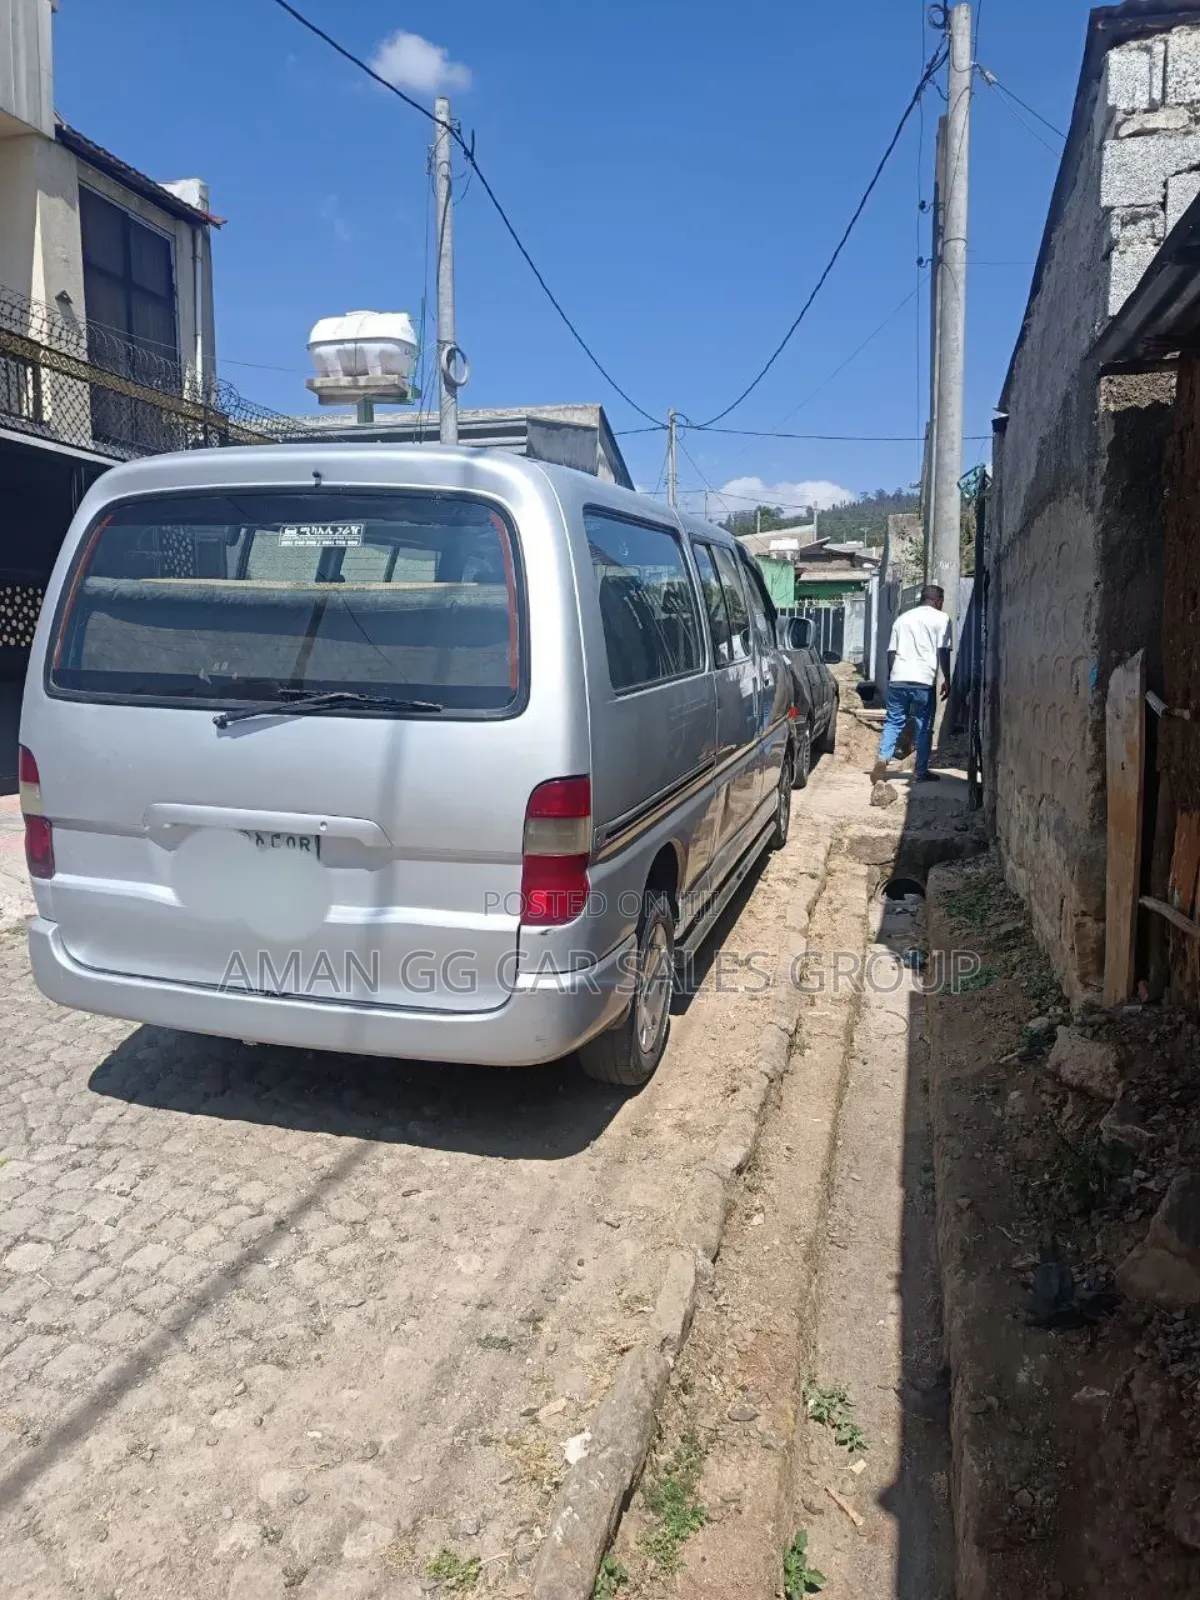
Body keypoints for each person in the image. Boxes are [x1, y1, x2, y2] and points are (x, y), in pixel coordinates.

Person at [871, 584, 952, 784]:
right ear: (939, 601)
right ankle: (920, 771)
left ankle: (883, 759)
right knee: (923, 726)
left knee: (893, 721)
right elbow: (943, 650)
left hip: (899, 678)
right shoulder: (942, 619)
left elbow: (891, 652)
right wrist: (947, 678)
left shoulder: (902, 619)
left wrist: (892, 676)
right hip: (923, 681)